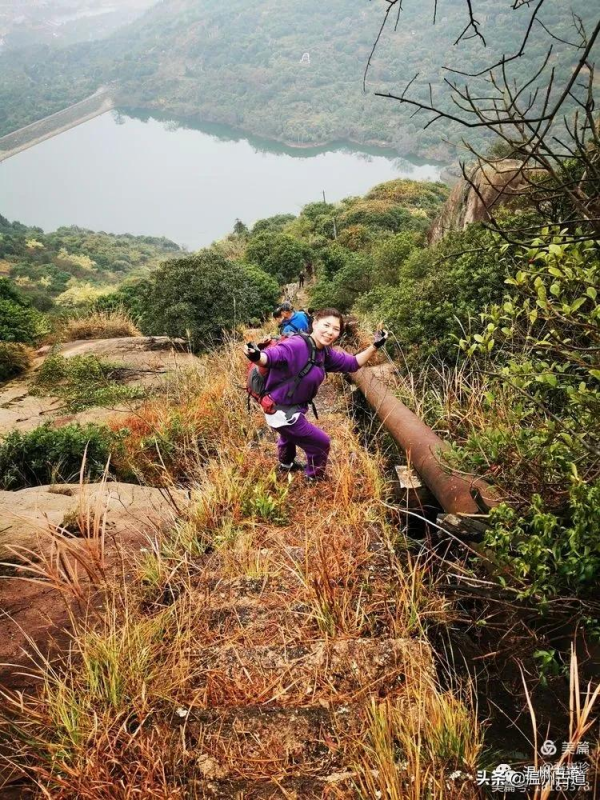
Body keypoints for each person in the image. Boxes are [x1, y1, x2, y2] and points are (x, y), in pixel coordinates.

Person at [244, 308, 389, 480]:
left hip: (290, 408)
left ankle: (285, 464)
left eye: (336, 329)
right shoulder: (296, 345)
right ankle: (314, 477)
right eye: (326, 325)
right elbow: (271, 357)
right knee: (320, 443)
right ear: (314, 323)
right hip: (280, 410)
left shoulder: (323, 352)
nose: (330, 332)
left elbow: (353, 363)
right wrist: (256, 356)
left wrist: (375, 346)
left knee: (288, 435)